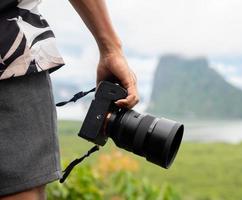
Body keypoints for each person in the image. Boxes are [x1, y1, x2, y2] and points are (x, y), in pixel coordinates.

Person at [0, 0, 139, 199]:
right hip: (12, 53)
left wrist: (111, 50)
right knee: (21, 191)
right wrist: (111, 49)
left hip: (11, 53)